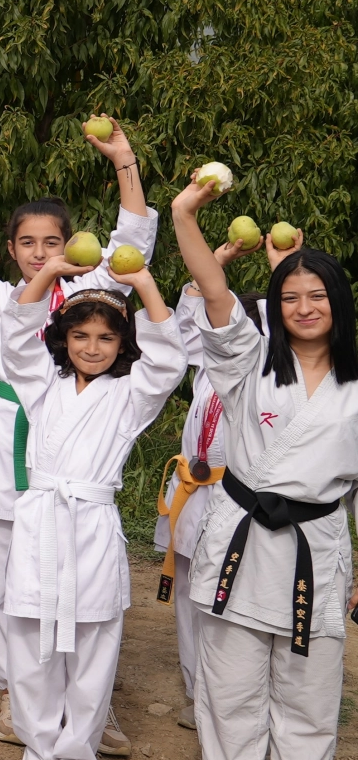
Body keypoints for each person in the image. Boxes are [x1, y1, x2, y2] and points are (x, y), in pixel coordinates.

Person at [0, 119, 155, 754]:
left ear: (72, 243)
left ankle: (94, 703)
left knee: (85, 572)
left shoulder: (92, 295)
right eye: (27, 242)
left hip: (78, 433)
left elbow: (134, 238)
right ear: (8, 248)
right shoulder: (0, 296)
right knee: (5, 566)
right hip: (7, 430)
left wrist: (123, 161)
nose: (39, 252)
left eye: (51, 240)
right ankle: (15, 691)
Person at [171, 176, 357, 760]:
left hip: (316, 544)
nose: (305, 308)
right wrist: (185, 213)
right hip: (243, 539)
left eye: (318, 296)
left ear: (339, 304)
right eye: (290, 298)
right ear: (273, 309)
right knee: (230, 682)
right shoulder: (247, 360)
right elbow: (214, 292)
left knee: (309, 692)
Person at [0, 234, 181, 760]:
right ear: (62, 338)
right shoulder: (41, 387)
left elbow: (171, 360)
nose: (93, 347)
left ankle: (76, 757)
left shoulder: (132, 396)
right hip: (40, 522)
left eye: (106, 337)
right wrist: (48, 270)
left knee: (90, 647)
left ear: (124, 343)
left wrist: (144, 283)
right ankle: (37, 749)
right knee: (29, 643)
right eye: (80, 335)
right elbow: (12, 340)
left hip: (90, 525)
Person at [155, 243, 269, 731]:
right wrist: (212, 267)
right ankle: (195, 688)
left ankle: (225, 699)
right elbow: (181, 330)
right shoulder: (207, 371)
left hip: (234, 499)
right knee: (186, 596)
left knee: (222, 597)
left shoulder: (266, 381)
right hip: (191, 493)